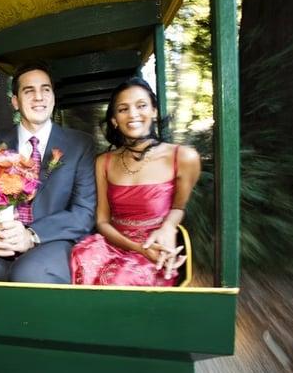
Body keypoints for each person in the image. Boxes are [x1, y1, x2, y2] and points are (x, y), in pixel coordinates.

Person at [0, 62, 96, 283]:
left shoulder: (80, 144)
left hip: (54, 241)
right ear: (15, 102)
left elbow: (84, 212)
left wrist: (31, 235)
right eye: (29, 91)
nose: (39, 97)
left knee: (30, 274)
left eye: (45, 89)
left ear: (53, 97)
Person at [70, 77, 201, 286]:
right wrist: (138, 248)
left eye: (141, 106)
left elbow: (178, 207)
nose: (133, 114)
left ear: (154, 111)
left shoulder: (183, 158)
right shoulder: (103, 162)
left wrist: (168, 227)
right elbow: (102, 222)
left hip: (157, 250)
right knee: (78, 263)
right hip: (113, 244)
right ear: (114, 120)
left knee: (121, 282)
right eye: (123, 109)